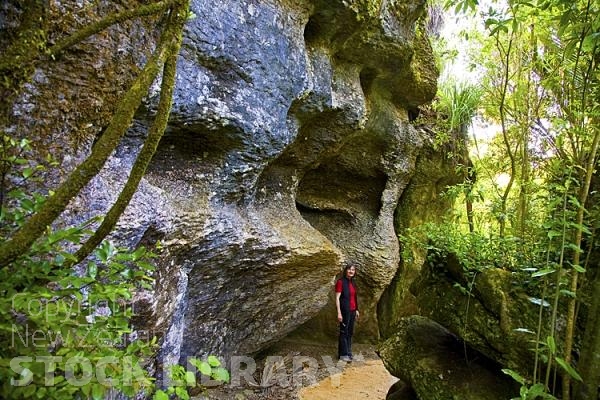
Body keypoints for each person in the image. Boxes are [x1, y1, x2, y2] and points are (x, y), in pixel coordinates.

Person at [335, 262, 359, 362]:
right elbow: (337, 298)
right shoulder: (341, 282)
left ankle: (348, 352)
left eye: (353, 270)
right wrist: (339, 312)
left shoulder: (352, 282)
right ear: (346, 271)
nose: (351, 271)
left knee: (350, 332)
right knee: (344, 332)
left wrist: (357, 309)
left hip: (352, 311)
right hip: (345, 311)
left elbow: (354, 297)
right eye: (349, 269)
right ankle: (343, 354)